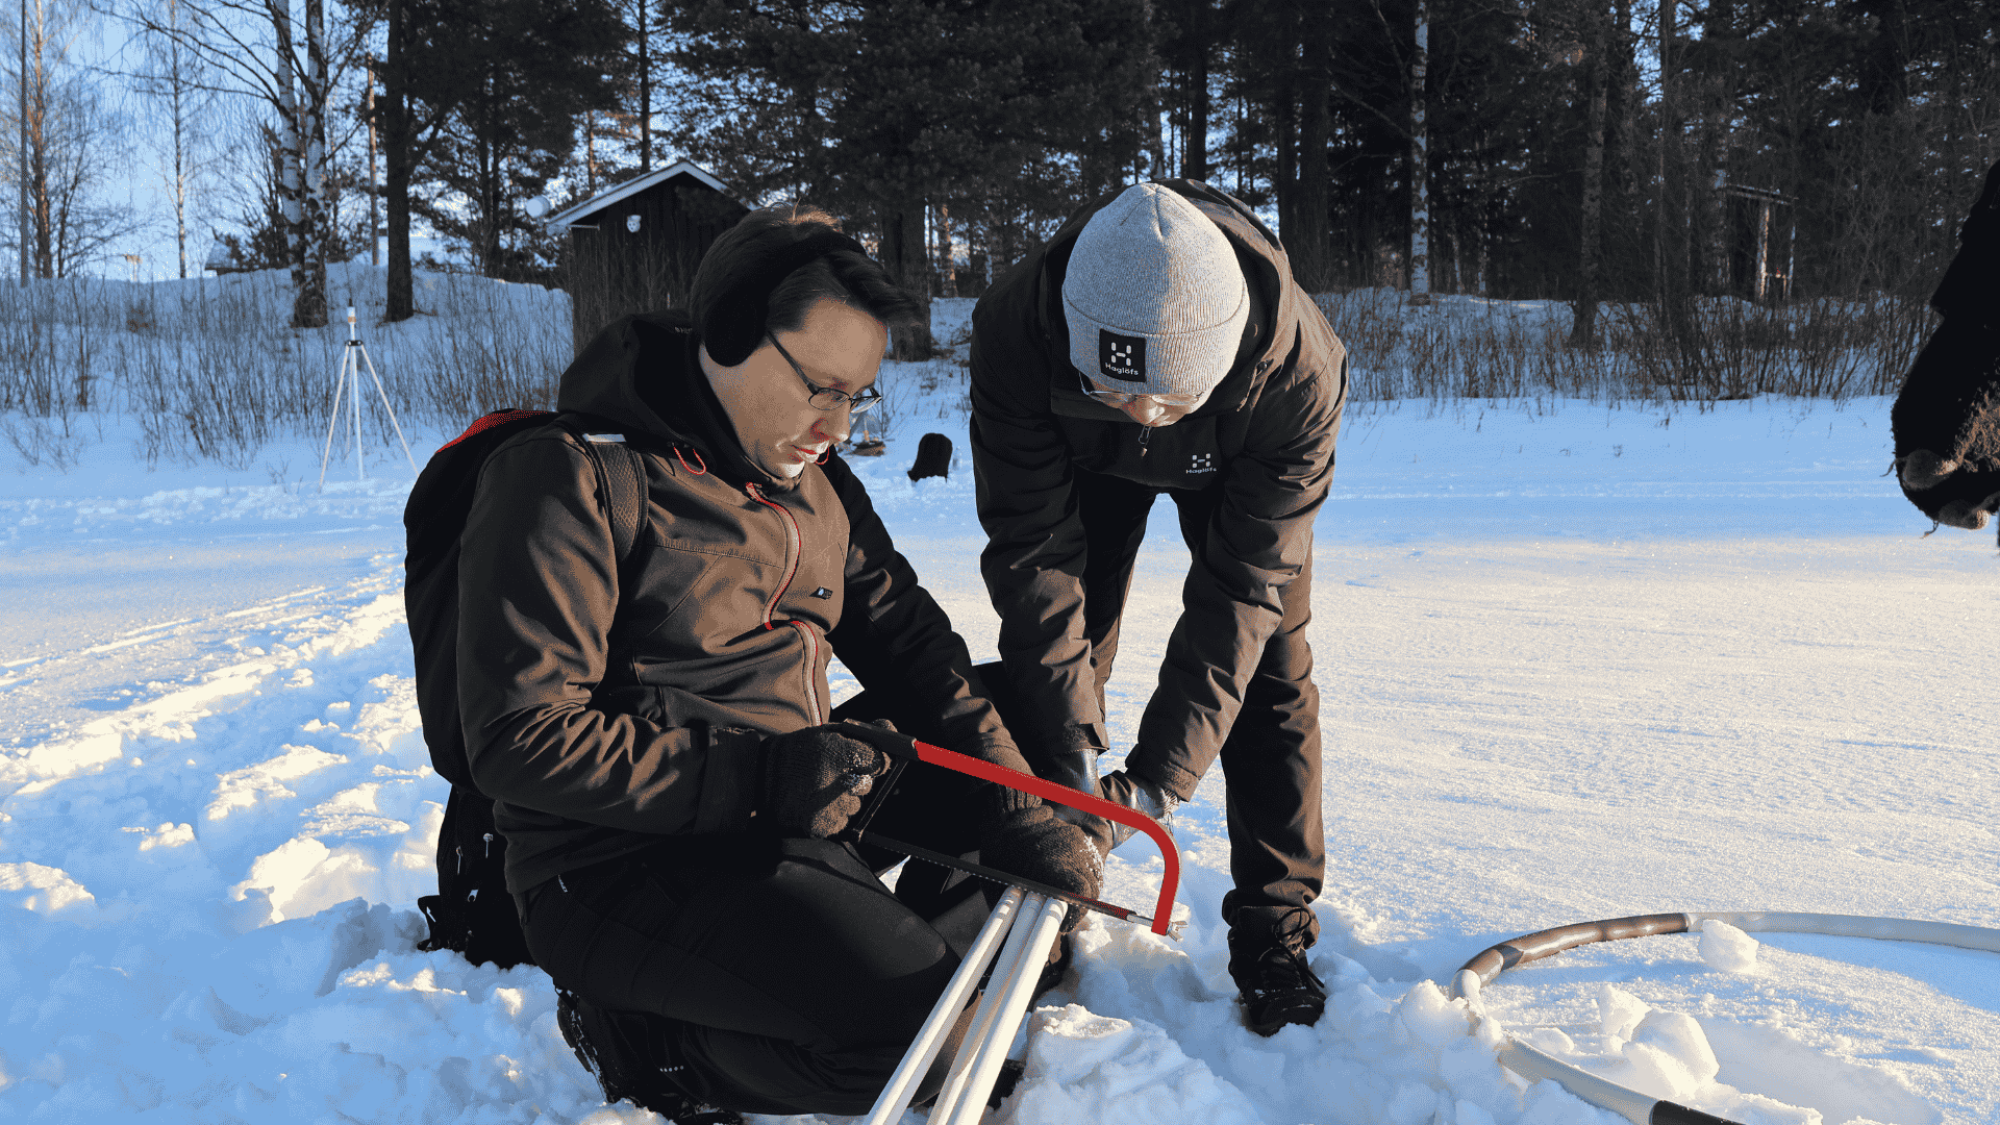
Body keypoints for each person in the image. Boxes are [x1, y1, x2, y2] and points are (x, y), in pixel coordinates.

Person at [455, 207, 1100, 1120]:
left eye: (858, 397)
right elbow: (521, 739)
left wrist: (1017, 802)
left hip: (792, 803)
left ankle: (875, 955)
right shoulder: (568, 477)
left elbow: (911, 641)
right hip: (624, 861)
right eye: (819, 389)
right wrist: (759, 781)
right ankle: (652, 1042)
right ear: (728, 335)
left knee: (1012, 716)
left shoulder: (815, 482)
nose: (837, 425)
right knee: (935, 1050)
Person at [968, 180, 1347, 1036]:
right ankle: (1051, 883)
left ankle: (1273, 926)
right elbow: (1034, 557)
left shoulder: (1298, 374)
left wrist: (1158, 784)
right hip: (1082, 462)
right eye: (1118, 386)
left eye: (1167, 398)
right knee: (1062, 650)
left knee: (1270, 669)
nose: (1145, 413)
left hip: (1237, 454)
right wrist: (1072, 755)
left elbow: (1242, 595)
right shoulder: (1017, 333)